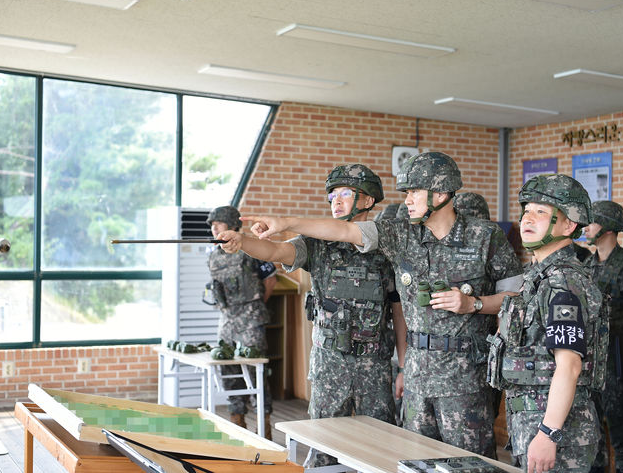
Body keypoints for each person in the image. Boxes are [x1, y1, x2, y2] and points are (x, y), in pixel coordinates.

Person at [232, 152, 523, 457]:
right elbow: (340, 232)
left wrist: (473, 304)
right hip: (411, 375)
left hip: (460, 376)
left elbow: (515, 299)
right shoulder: (401, 235)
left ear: (440, 193)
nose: (407, 199)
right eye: (406, 193)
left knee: (462, 460)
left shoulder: (486, 237)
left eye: (414, 192)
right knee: (410, 459)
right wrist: (279, 225)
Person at [219, 164, 404, 467]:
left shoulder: (386, 244)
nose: (336, 201)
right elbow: (275, 252)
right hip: (329, 365)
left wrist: (403, 367)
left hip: (374, 366)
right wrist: (242, 242)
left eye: (346, 194)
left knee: (378, 445)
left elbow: (398, 310)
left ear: (369, 201)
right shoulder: (315, 244)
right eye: (332, 196)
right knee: (324, 443)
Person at [487, 174, 603, 472]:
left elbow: (570, 365)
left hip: (558, 434)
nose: (528, 218)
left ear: (569, 225)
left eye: (542, 212)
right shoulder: (537, 277)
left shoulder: (562, 281)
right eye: (527, 211)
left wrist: (548, 433)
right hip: (531, 423)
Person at [583, 201, 623, 473]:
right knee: (592, 436)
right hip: (590, 361)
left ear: (608, 228)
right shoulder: (586, 264)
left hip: (620, 358)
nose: (585, 227)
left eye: (592, 222)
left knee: (622, 437)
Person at [205, 205, 277, 437]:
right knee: (229, 371)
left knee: (255, 370)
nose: (214, 228)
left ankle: (263, 429)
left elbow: (270, 280)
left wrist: (253, 307)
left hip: (250, 319)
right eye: (212, 225)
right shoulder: (213, 254)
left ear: (233, 225)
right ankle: (237, 425)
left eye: (219, 223)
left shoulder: (251, 249)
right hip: (226, 319)